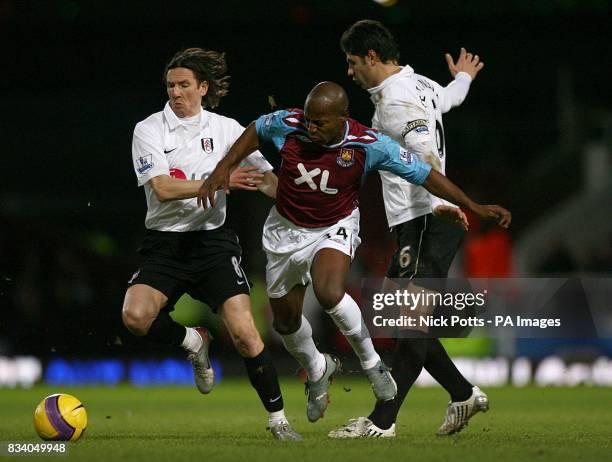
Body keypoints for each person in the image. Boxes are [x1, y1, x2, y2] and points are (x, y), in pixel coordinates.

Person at [197, 81, 511, 425]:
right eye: (309, 119)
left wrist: (470, 205)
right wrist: (222, 168)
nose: (311, 127)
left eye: (320, 122)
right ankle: (318, 369)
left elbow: (425, 175)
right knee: (286, 322)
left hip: (335, 225)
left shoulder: (369, 145)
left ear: (342, 117)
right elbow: (256, 129)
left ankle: (373, 365)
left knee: (329, 291)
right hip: (285, 230)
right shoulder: (288, 123)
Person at [121, 47, 301, 441]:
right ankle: (193, 339)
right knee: (134, 318)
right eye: (171, 86)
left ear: (203, 88)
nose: (176, 93)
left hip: (213, 244)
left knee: (244, 332)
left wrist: (307, 200)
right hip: (164, 245)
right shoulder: (149, 129)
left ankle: (279, 421)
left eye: (184, 85)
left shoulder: (226, 130)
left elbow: (267, 181)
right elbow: (163, 189)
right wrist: (218, 181)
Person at [328, 19, 493, 438]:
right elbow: (448, 99)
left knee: (406, 319)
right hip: (419, 222)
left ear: (371, 56)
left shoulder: (395, 101)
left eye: (352, 62)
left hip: (427, 220)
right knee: (400, 317)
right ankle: (463, 394)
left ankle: (382, 422)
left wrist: (441, 204)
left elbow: (422, 155)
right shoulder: (416, 83)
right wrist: (462, 77)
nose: (350, 72)